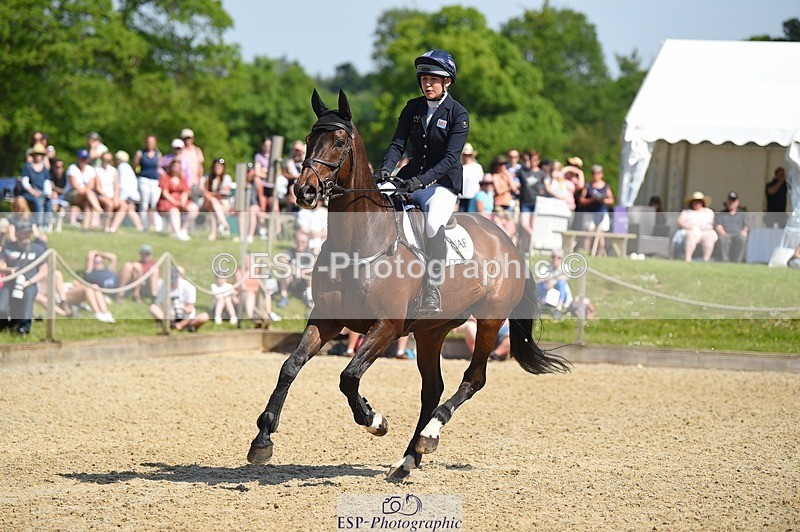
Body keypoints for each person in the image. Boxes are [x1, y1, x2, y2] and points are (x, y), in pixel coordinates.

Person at [376, 49, 468, 315]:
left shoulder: (458, 114)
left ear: (447, 81)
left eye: (433, 78)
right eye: (424, 78)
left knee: (431, 224)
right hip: (412, 176)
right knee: (377, 201)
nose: (427, 83)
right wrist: (385, 171)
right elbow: (397, 145)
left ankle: (432, 289)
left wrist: (419, 181)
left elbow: (450, 158)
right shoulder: (412, 107)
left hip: (443, 183)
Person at [0, 221, 48, 335]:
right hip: (10, 282)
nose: (26, 236)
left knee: (28, 295)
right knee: (2, 307)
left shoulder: (37, 249)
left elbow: (44, 271)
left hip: (29, 283)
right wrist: (10, 270)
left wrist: (29, 282)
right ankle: (5, 325)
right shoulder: (8, 247)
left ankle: (24, 328)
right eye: (23, 233)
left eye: (28, 233)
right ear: (17, 233)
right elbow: (1, 264)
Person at [157, 159, 199, 241]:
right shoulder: (165, 177)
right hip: (168, 201)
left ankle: (183, 230)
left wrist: (182, 202)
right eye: (174, 166)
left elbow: (185, 192)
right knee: (174, 210)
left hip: (182, 200)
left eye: (178, 166)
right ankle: (177, 232)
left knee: (194, 208)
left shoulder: (183, 178)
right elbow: (165, 192)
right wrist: (174, 202)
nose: (176, 168)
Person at [577, 164, 615, 254]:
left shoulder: (605, 186)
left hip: (601, 212)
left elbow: (611, 200)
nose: (596, 175)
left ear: (601, 174)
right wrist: (591, 199)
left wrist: (603, 200)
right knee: (589, 233)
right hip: (590, 212)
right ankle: (586, 252)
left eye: (598, 173)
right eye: (594, 173)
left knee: (601, 234)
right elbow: (581, 200)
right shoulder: (588, 186)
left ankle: (600, 253)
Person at [64, 148, 103, 231]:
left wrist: (85, 191)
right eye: (82, 158)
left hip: (85, 195)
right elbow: (74, 186)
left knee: (88, 203)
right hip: (71, 194)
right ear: (78, 158)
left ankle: (86, 227)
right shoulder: (72, 168)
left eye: (85, 159)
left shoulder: (91, 169)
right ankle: (99, 210)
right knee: (88, 194)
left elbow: (91, 185)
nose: (83, 161)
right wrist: (86, 191)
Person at [676, 191, 717, 262]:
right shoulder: (686, 212)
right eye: (695, 201)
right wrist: (687, 226)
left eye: (699, 201)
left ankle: (706, 260)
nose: (697, 203)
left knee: (709, 236)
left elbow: (714, 222)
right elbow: (680, 221)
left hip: (706, 231)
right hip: (692, 230)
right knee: (692, 235)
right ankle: (688, 259)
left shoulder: (709, 212)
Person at [134, 135, 164, 232]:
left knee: (154, 203)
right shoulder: (140, 153)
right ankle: (143, 225)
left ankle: (157, 226)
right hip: (143, 179)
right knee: (144, 203)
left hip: (154, 180)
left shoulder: (157, 154)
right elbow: (135, 167)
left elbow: (159, 167)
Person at [20, 142, 52, 228]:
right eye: (36, 154)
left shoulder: (44, 169)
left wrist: (48, 193)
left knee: (48, 201)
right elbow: (25, 182)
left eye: (40, 154)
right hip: (29, 193)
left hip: (41, 192)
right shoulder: (27, 167)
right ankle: (38, 224)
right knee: (37, 201)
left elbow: (47, 182)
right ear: (33, 155)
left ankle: (46, 223)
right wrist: (33, 192)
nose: (38, 156)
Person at [201, 158, 233, 241]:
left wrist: (213, 194)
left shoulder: (226, 178)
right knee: (213, 202)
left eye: (220, 167)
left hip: (222, 204)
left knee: (213, 209)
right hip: (209, 202)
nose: (218, 168)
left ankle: (213, 233)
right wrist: (216, 195)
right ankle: (224, 223)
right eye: (216, 166)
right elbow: (205, 193)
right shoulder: (208, 177)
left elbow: (226, 192)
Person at [94, 152, 127, 232]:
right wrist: (108, 197)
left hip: (112, 196)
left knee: (124, 205)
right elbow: (98, 187)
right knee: (109, 204)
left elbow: (116, 186)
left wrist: (115, 197)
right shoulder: (96, 170)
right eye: (105, 159)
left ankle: (113, 227)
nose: (106, 161)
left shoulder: (113, 170)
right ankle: (106, 226)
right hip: (101, 195)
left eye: (108, 160)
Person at [535, 248, 572, 318]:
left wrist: (553, 284)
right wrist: (546, 281)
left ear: (562, 259)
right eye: (554, 257)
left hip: (561, 295)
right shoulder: (546, 268)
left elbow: (566, 277)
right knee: (541, 286)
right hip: (547, 293)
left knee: (561, 283)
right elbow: (537, 278)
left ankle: (558, 308)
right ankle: (538, 307)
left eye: (559, 258)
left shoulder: (565, 268)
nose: (556, 259)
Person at [714, 191, 749, 263]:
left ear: (737, 202)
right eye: (730, 201)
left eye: (733, 201)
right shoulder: (721, 214)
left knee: (742, 238)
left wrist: (744, 232)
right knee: (723, 238)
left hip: (737, 235)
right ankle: (725, 261)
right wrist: (722, 232)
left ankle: (738, 261)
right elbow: (718, 226)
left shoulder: (743, 214)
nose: (731, 203)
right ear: (727, 202)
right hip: (726, 234)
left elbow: (746, 226)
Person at [113, 150, 144, 231]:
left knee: (124, 209)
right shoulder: (127, 167)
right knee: (130, 211)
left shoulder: (122, 167)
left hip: (127, 194)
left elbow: (123, 183)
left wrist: (121, 197)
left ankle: (113, 227)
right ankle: (140, 228)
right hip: (132, 193)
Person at [457, 143, 482, 212]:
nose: (467, 157)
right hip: (462, 196)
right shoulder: (459, 167)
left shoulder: (477, 167)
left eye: (469, 155)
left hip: (473, 196)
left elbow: (481, 181)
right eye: (465, 155)